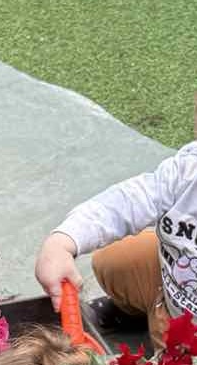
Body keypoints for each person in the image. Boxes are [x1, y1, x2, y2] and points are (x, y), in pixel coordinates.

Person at [35, 142, 197, 350]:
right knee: (118, 259)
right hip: (172, 290)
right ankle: (135, 312)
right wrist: (62, 241)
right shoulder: (188, 171)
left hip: (186, 343)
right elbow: (127, 201)